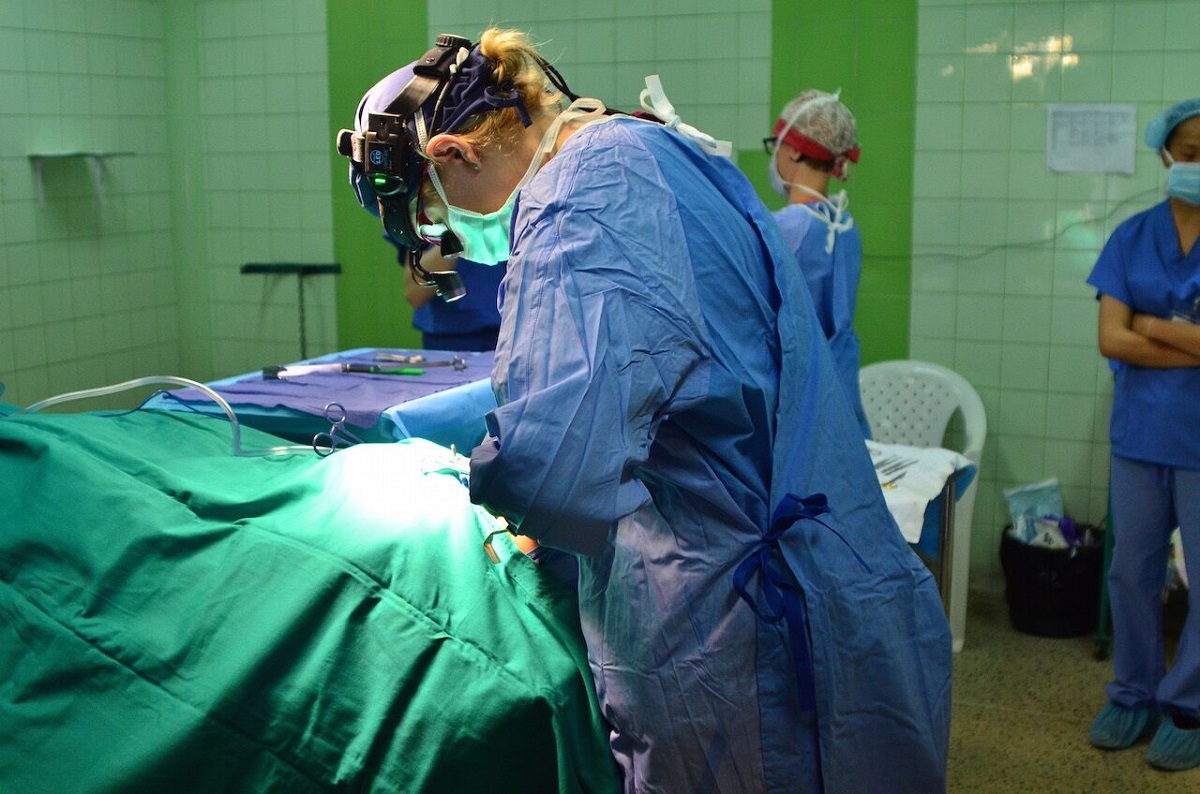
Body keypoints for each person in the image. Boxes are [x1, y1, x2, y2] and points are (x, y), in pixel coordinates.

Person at [337, 29, 951, 792]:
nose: (453, 243)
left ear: (455, 156)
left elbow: (550, 472)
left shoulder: (577, 203)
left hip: (732, 632)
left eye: (438, 221)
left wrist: (474, 495)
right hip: (830, 577)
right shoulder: (647, 146)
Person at [1086, 97, 1200, 772]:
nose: (1199, 164)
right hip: (1140, 435)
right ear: (1165, 156)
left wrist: (1146, 326)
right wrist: (1181, 336)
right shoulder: (1131, 237)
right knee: (1131, 570)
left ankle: (1188, 704)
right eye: (1189, 153)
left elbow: (1127, 331)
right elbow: (1109, 337)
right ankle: (1132, 692)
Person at [766, 90, 870, 437]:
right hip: (841, 392)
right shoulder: (845, 226)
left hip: (799, 398)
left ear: (793, 148)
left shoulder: (786, 227)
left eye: (775, 144)